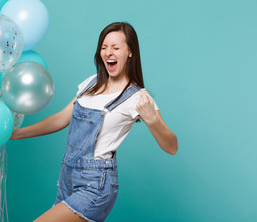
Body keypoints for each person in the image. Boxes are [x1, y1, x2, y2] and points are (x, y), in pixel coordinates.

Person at [10, 22, 178, 222]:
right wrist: (19, 133)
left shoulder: (137, 97)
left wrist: (152, 120)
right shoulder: (90, 83)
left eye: (116, 48)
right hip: (67, 177)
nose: (109, 53)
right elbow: (61, 119)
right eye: (104, 47)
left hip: (96, 184)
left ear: (130, 52)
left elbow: (172, 147)